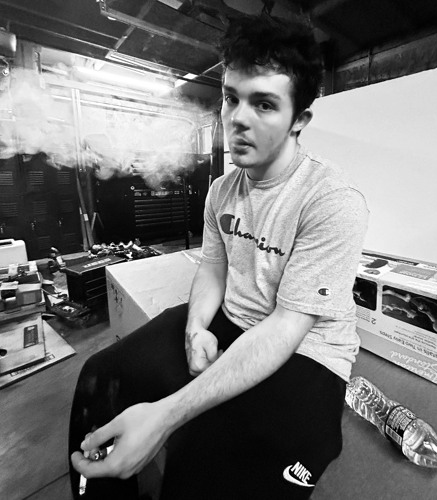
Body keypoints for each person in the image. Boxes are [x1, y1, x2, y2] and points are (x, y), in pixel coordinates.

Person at [69, 14, 369, 500]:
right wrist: (195, 330)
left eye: (264, 104)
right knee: (98, 377)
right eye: (231, 98)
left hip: (308, 350)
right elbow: (213, 268)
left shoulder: (332, 201)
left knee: (200, 463)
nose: (237, 119)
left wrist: (165, 417)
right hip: (232, 320)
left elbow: (288, 325)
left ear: (300, 120)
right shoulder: (221, 190)